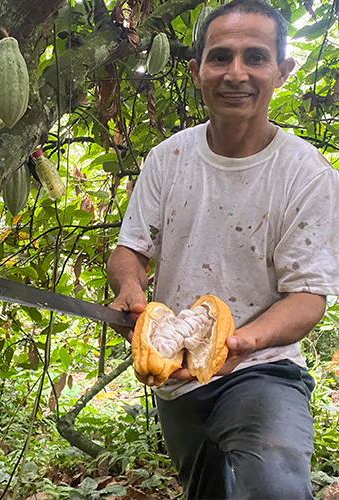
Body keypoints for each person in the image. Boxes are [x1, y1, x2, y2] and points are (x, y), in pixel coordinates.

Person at [107, 0, 339, 498]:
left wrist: (243, 343)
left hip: (263, 366)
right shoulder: (168, 159)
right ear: (196, 71)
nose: (237, 73)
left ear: (282, 70)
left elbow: (308, 297)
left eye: (255, 57)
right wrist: (130, 286)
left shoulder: (307, 174)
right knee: (205, 489)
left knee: (273, 479)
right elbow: (131, 249)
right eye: (220, 57)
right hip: (175, 374)